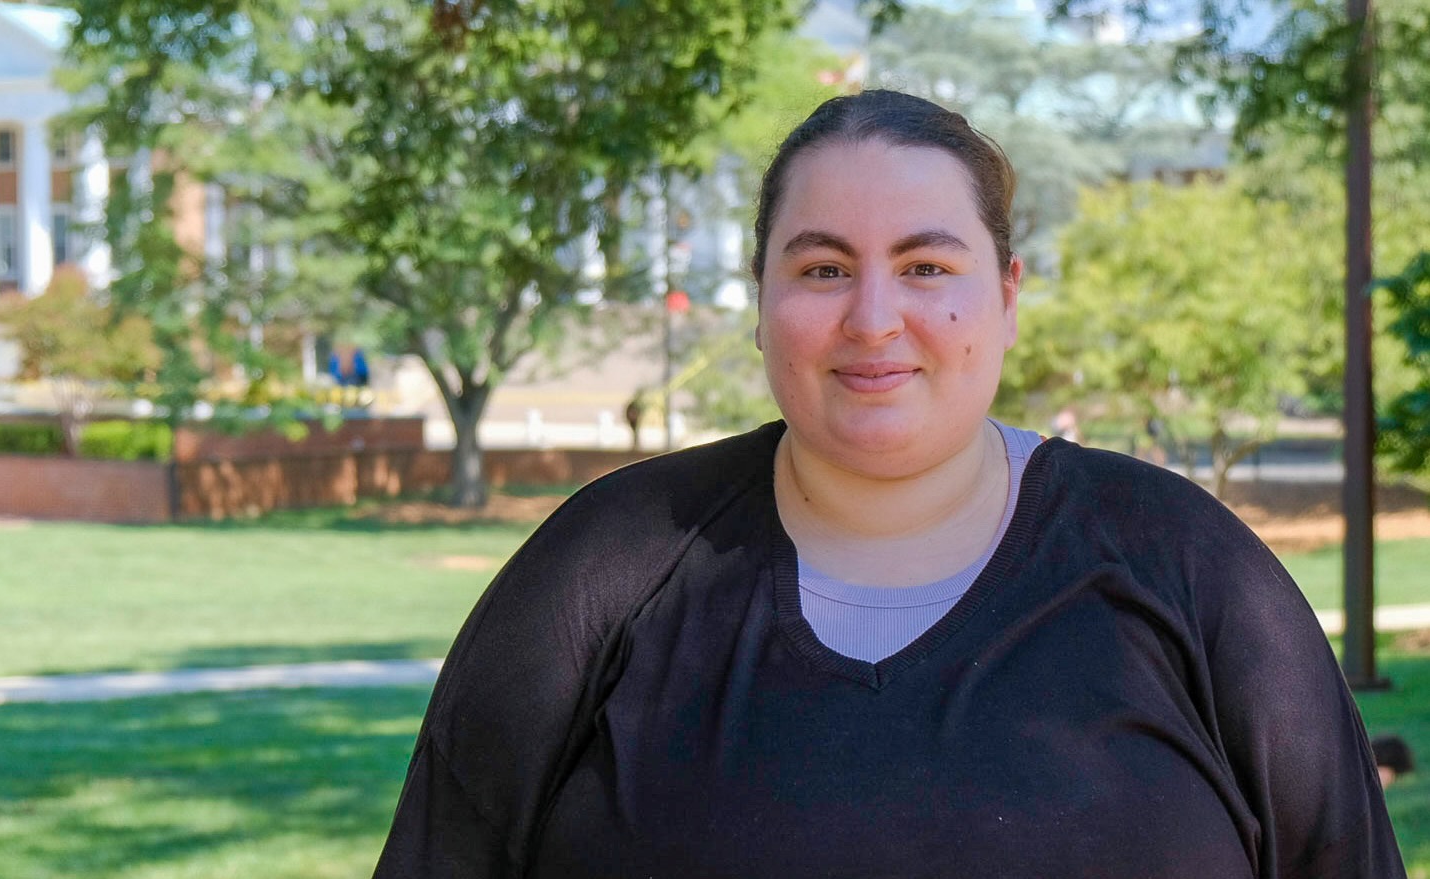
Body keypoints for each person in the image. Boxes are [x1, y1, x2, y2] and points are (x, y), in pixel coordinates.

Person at [372, 90, 1402, 878]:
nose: (872, 319)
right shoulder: (606, 562)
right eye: (821, 269)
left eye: (924, 267)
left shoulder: (1187, 565)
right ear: (762, 297)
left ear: (1004, 295)